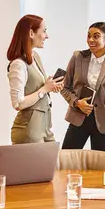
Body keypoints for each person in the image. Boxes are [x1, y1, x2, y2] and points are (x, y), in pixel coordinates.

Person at [60, 22, 105, 152]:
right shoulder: (77, 57)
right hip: (78, 118)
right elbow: (64, 87)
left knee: (99, 166)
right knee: (67, 160)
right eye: (88, 36)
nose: (90, 40)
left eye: (96, 36)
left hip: (103, 122)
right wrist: (77, 102)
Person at [6, 14, 64, 144]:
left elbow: (36, 87)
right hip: (29, 128)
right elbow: (18, 103)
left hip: (44, 124)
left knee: (53, 162)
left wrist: (50, 85)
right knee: (42, 164)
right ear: (31, 33)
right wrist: (44, 89)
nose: (46, 36)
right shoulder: (18, 64)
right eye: (44, 31)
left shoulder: (35, 56)